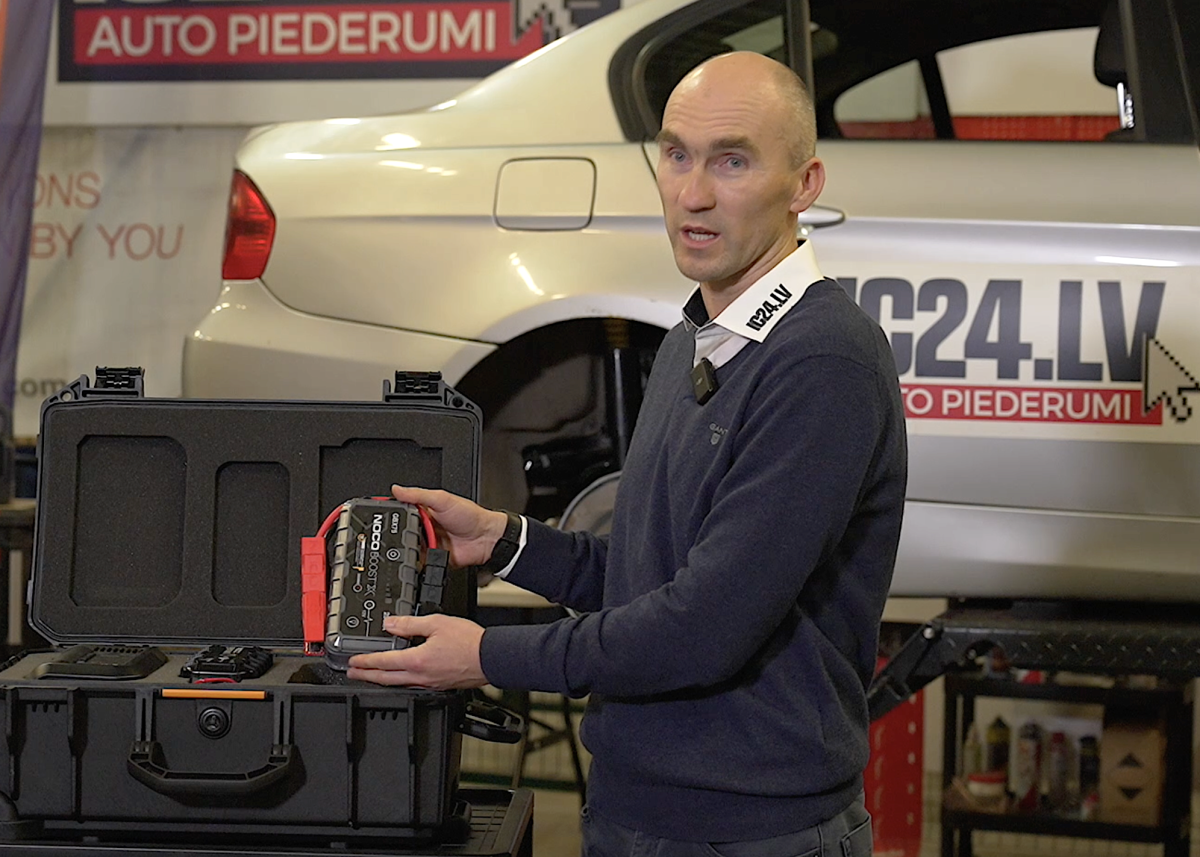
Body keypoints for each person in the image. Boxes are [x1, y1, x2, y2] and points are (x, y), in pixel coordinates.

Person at [348, 51, 907, 857]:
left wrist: (485, 655)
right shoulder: (692, 342)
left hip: (753, 832)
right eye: (677, 154)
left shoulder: (821, 361)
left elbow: (701, 627)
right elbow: (653, 576)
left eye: (732, 161)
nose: (693, 193)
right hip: (633, 809)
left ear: (805, 183)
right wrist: (505, 541)